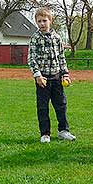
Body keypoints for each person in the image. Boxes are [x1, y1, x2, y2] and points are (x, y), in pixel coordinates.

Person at [27, 7, 75, 143]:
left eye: (44, 21)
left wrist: (65, 74)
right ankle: (45, 133)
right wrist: (37, 75)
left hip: (57, 78)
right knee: (42, 107)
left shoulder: (57, 38)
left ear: (50, 21)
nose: (42, 24)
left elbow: (61, 58)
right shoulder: (35, 38)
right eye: (39, 21)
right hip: (43, 80)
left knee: (61, 105)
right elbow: (31, 59)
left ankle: (63, 131)